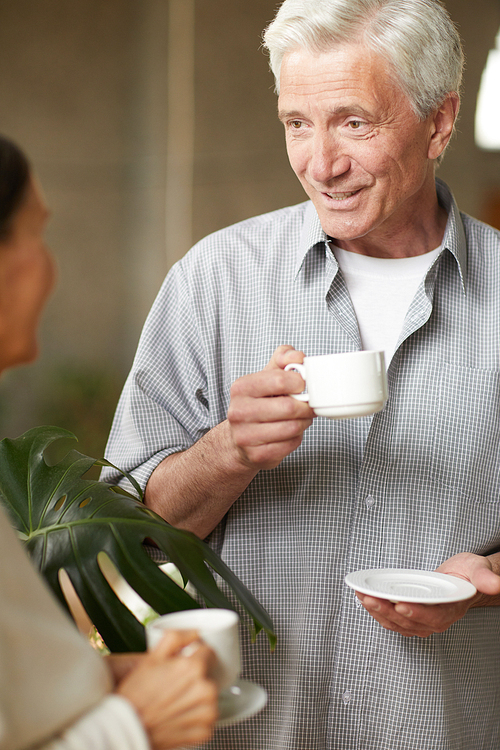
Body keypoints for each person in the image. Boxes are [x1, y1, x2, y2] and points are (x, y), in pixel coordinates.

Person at [102, 0, 500, 747]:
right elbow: (130, 538)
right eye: (296, 123)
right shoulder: (212, 281)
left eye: (354, 122)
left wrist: (483, 586)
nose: (321, 164)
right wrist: (228, 450)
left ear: (440, 123)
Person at [0, 134, 219, 750]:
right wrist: (134, 725)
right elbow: (139, 513)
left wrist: (102, 682)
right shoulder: (207, 275)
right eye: (36, 234)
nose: (50, 266)